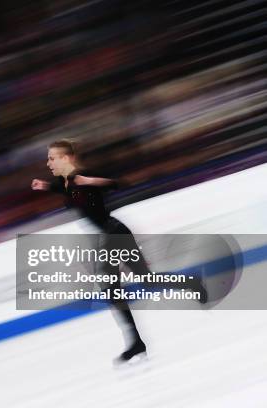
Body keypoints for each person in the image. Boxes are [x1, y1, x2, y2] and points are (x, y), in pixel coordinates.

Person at [31, 139, 206, 363]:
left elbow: (116, 183)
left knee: (112, 287)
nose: (48, 163)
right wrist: (44, 186)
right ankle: (189, 284)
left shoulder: (81, 177)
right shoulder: (65, 182)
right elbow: (64, 189)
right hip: (112, 235)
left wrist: (89, 181)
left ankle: (136, 341)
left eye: (52, 158)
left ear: (66, 158)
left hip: (115, 233)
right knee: (142, 283)